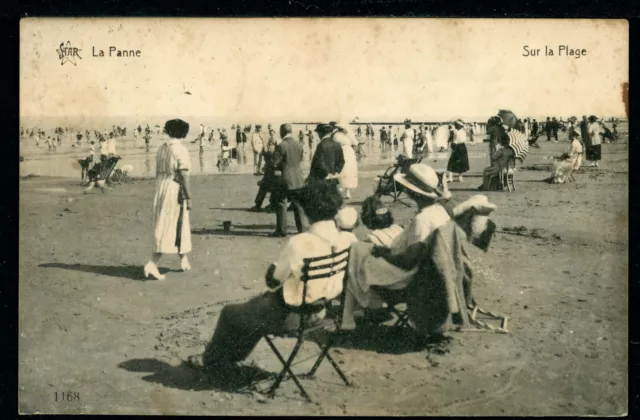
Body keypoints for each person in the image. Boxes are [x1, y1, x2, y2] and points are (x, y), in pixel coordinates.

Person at [186, 181, 353, 375]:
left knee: (230, 313)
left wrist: (274, 269)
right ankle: (229, 359)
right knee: (253, 309)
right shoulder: (344, 240)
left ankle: (212, 360)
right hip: (322, 313)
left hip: (293, 317)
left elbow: (273, 281)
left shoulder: (300, 242)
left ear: (307, 210)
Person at [340, 163, 452, 329]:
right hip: (426, 272)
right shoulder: (439, 211)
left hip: (407, 278)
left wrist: (384, 254)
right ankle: (365, 309)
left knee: (356, 259)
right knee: (360, 253)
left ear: (413, 192)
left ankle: (353, 316)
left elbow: (408, 260)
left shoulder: (423, 219)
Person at [143, 119, 193, 281]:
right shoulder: (181, 150)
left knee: (175, 223)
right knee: (170, 224)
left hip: (161, 186)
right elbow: (184, 175)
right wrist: (189, 196)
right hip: (173, 188)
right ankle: (152, 263)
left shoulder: (162, 148)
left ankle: (183, 258)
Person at [270, 124, 307, 237]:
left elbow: (274, 162)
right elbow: (300, 160)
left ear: (282, 132)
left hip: (285, 178)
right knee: (298, 205)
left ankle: (281, 231)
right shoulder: (299, 144)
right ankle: (302, 229)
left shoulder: (282, 145)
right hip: (298, 177)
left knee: (281, 203)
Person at [478, 120, 515, 191]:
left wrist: (493, 154)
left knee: (485, 171)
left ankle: (486, 187)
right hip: (509, 169)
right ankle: (497, 185)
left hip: (500, 169)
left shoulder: (501, 150)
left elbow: (493, 157)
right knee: (493, 169)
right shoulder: (512, 151)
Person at [249, 130, 280, 212]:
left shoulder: (270, 165)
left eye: (265, 159)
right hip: (281, 182)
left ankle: (258, 205)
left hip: (277, 184)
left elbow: (267, 179)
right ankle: (271, 204)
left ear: (267, 159)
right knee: (268, 185)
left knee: (263, 187)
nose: (264, 160)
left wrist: (262, 182)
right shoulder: (275, 162)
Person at [333, 123, 358, 200]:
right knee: (348, 171)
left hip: (342, 151)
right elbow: (355, 143)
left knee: (342, 170)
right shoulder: (349, 135)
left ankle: (342, 189)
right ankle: (347, 191)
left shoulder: (336, 135)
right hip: (348, 152)